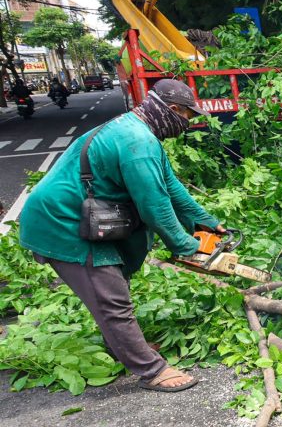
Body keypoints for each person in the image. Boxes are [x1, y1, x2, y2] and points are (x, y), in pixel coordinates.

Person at [19, 79, 223, 392]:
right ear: (171, 110)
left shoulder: (140, 131)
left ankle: (123, 346)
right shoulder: (137, 142)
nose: (187, 122)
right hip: (62, 222)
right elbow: (155, 207)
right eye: (186, 115)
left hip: (83, 213)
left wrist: (205, 223)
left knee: (113, 286)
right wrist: (187, 246)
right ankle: (152, 370)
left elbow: (170, 187)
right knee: (110, 295)